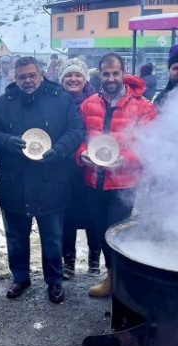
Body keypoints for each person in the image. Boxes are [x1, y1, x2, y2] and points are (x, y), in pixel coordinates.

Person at [0, 57, 84, 304]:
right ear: (14, 78)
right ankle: (20, 277)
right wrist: (6, 141)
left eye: (31, 76)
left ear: (41, 75)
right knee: (16, 236)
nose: (27, 81)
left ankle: (54, 281)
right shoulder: (2, 103)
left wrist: (60, 149)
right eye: (21, 77)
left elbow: (76, 131)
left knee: (51, 237)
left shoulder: (60, 99)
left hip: (51, 180)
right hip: (14, 181)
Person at [76, 53, 157, 297]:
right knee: (102, 234)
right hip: (94, 181)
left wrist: (127, 159)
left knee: (118, 236)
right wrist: (81, 155)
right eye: (106, 74)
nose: (110, 78)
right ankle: (112, 278)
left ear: (124, 73)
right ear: (98, 74)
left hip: (123, 183)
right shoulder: (88, 103)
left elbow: (151, 144)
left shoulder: (144, 106)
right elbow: (80, 138)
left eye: (115, 73)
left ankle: (126, 283)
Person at [56, 58, 101, 279]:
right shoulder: (54, 101)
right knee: (67, 216)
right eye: (68, 75)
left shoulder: (96, 101)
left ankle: (94, 259)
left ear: (85, 79)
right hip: (63, 169)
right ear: (61, 79)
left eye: (78, 75)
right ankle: (68, 261)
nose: (73, 79)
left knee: (93, 215)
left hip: (90, 166)